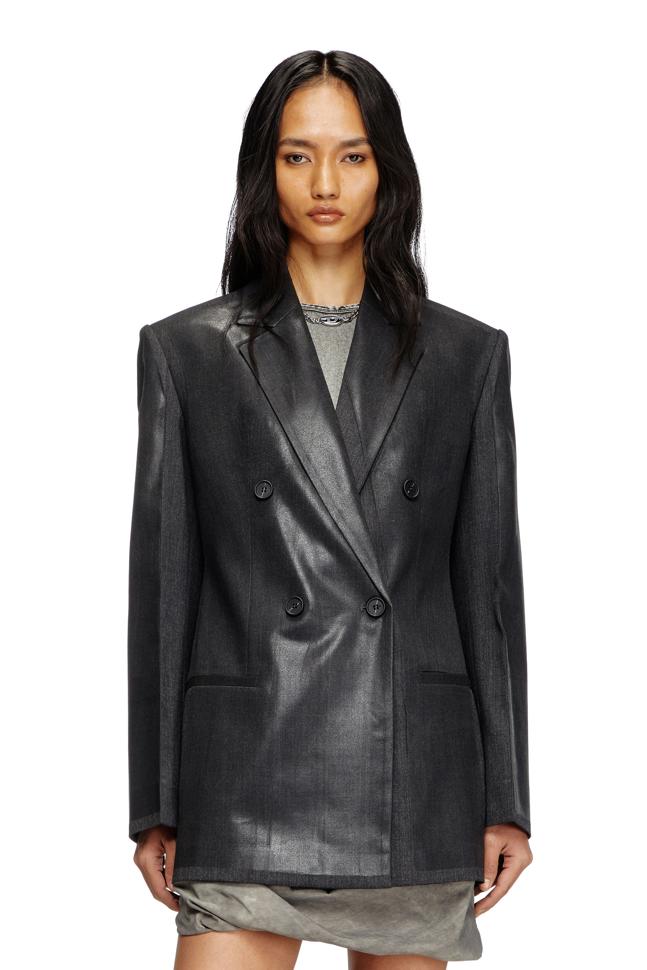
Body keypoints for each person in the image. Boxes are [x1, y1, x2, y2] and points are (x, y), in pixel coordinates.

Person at [127, 50, 533, 970]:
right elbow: (163, 589)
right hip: (245, 770)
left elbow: (487, 592)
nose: (323, 184)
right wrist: (155, 800)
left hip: (411, 774)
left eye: (351, 156)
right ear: (262, 171)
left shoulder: (466, 356)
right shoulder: (186, 351)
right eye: (296, 155)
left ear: (386, 170)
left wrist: (506, 798)